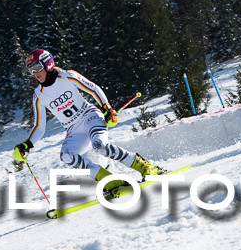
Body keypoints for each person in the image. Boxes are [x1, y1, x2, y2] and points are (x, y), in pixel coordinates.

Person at [13, 48, 163, 194]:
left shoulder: (67, 76)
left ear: (48, 64)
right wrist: (27, 144)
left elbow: (93, 88)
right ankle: (109, 181)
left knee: (100, 146)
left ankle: (145, 167)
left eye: (37, 67)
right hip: (73, 128)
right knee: (66, 155)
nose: (35, 73)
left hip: (89, 116)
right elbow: (39, 126)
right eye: (31, 70)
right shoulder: (38, 95)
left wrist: (107, 108)